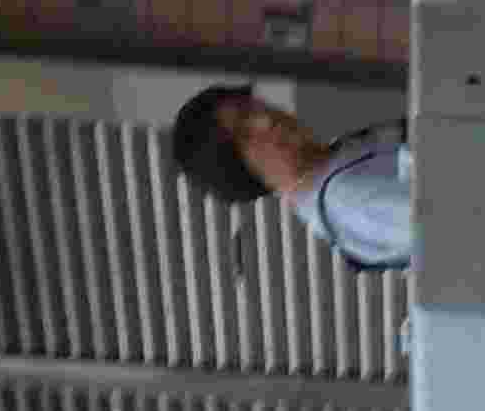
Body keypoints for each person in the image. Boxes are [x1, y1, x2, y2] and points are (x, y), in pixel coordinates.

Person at [169, 82, 413, 271]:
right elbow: (435, 222)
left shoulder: (335, 157)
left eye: (251, 108)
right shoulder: (347, 199)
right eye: (246, 134)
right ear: (238, 171)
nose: (266, 120)